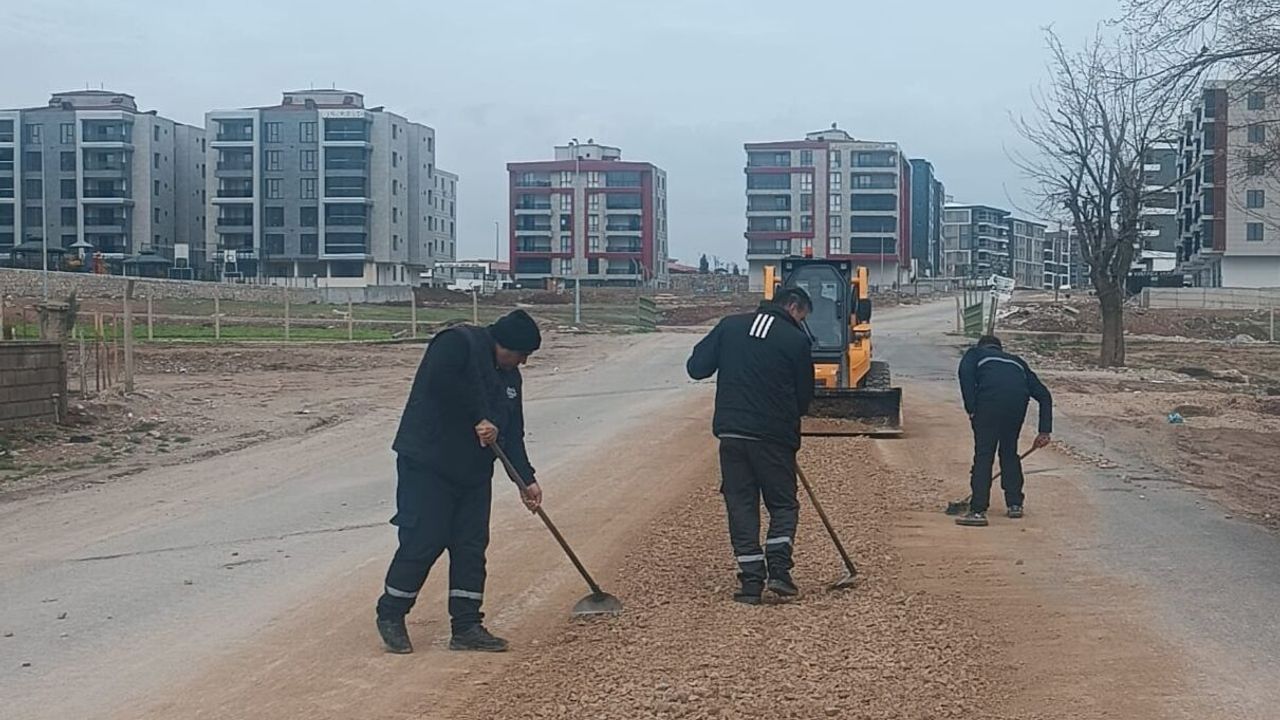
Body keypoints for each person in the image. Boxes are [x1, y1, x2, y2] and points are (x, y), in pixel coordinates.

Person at [375, 309, 544, 654]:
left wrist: (526, 480)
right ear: (503, 344)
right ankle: (391, 613)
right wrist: (478, 416)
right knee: (425, 538)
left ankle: (466, 627)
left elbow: (512, 433)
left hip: (473, 472)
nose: (523, 362)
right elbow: (440, 383)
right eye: (521, 354)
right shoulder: (457, 343)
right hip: (429, 464)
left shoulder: (510, 379)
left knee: (470, 546)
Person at [686, 288, 815, 604]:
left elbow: (696, 367)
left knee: (741, 505)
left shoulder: (730, 326)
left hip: (732, 434)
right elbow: (804, 399)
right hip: (774, 438)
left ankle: (751, 583)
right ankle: (779, 571)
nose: (801, 323)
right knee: (783, 505)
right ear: (793, 306)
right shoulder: (796, 341)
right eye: (802, 317)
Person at [955, 334, 1053, 527]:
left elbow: (965, 378)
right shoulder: (1016, 361)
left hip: (988, 404)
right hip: (1015, 407)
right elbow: (1044, 395)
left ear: (981, 346)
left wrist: (971, 408)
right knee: (1009, 452)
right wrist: (1044, 431)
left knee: (984, 455)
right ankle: (1015, 504)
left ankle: (978, 511)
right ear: (1000, 349)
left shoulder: (974, 354)